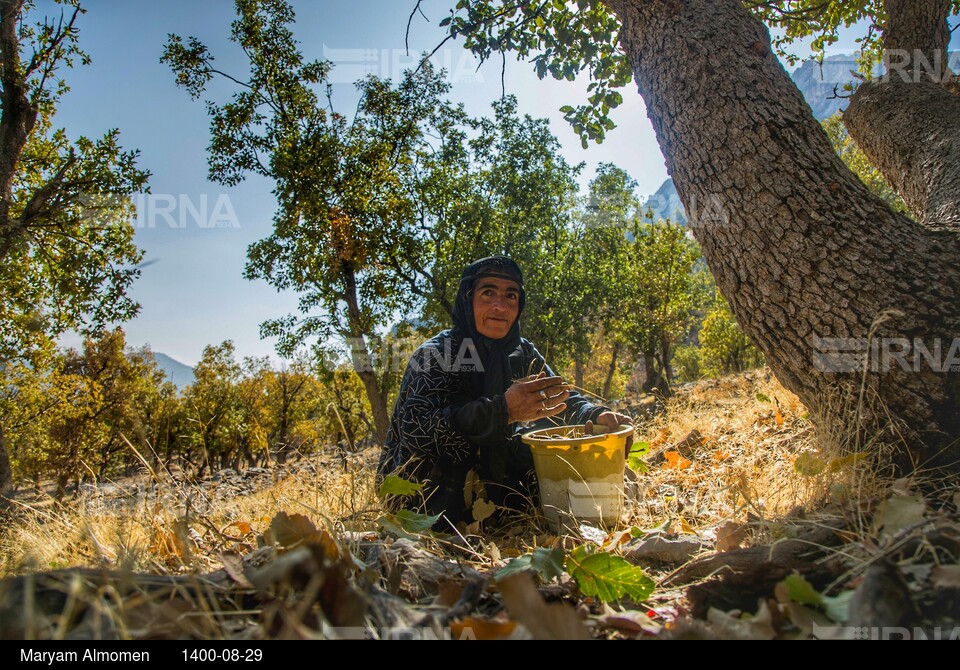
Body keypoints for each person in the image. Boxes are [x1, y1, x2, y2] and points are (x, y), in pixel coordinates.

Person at [377, 255, 632, 528]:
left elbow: (560, 399)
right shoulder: (436, 353)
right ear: (467, 299)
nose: (500, 306)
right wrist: (502, 412)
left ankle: (507, 514)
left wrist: (596, 415)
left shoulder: (521, 353)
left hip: (489, 484)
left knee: (539, 446)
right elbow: (416, 430)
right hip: (423, 495)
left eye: (511, 296)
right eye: (488, 293)